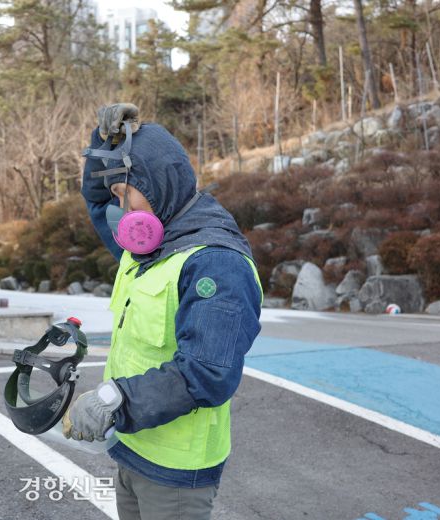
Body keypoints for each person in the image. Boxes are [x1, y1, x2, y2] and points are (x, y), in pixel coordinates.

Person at [62, 104, 264, 520]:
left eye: (126, 192)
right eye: (116, 194)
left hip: (176, 471)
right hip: (131, 447)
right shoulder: (148, 247)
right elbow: (97, 203)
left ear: (155, 185)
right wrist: (105, 143)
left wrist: (114, 400)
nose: (119, 208)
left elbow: (209, 372)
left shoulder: (214, 263)